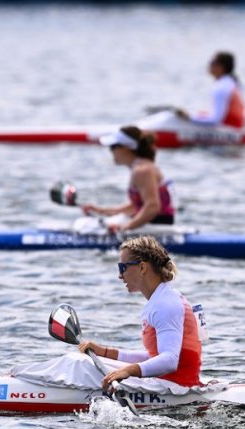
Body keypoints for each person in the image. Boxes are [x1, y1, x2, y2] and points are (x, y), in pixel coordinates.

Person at [78, 236, 202, 389]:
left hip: (174, 388)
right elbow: (153, 357)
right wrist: (104, 352)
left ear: (142, 268)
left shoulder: (165, 304)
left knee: (80, 365)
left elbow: (170, 360)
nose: (120, 275)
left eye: (122, 267)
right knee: (82, 362)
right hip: (166, 382)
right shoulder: (161, 298)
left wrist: (129, 370)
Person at [81, 126, 176, 233]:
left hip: (156, 226)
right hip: (150, 222)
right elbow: (137, 205)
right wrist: (102, 211)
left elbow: (152, 206)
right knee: (90, 223)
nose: (110, 151)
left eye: (113, 147)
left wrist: (125, 228)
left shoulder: (142, 171)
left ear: (126, 148)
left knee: (90, 227)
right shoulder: (141, 166)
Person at [187, 51, 245, 128]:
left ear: (222, 67)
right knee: (200, 113)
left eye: (212, 62)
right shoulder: (232, 82)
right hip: (234, 126)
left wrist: (188, 118)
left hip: (227, 130)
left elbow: (215, 120)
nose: (209, 65)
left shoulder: (221, 87)